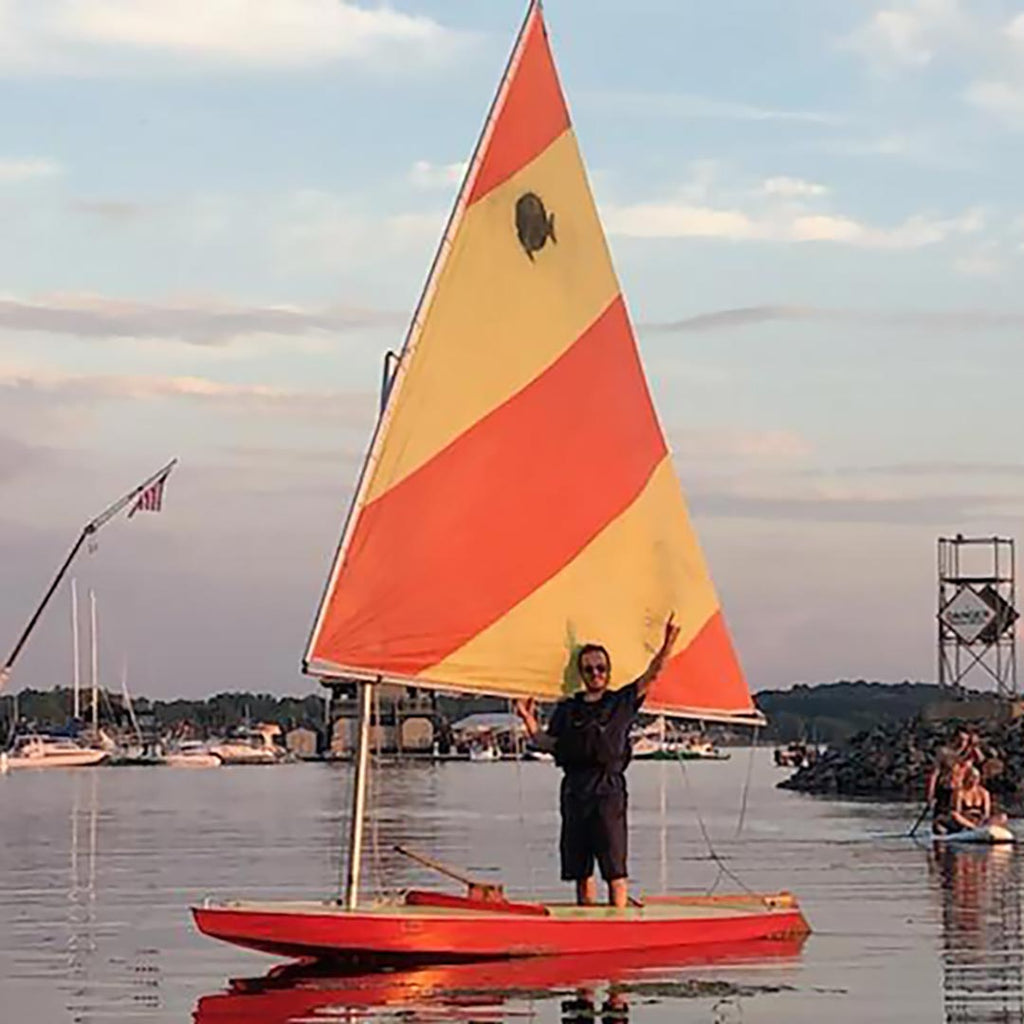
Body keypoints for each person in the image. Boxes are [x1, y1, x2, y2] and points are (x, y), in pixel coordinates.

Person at [515, 614, 680, 908]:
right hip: (574, 790)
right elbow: (548, 745)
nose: (595, 673)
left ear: (608, 671)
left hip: (608, 791)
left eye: (600, 668)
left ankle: (618, 922)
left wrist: (668, 643)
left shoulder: (621, 702)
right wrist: (528, 720)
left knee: (614, 867)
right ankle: (585, 918)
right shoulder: (568, 709)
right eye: (589, 669)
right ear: (581, 673)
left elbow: (652, 675)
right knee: (580, 869)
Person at [950, 765, 1007, 832]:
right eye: (972, 777)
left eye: (976, 777)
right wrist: (969, 816)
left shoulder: (984, 793)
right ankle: (973, 828)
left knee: (1003, 817)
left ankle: (983, 828)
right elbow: (958, 811)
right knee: (954, 815)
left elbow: (986, 813)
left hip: (980, 819)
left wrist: (981, 819)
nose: (974, 780)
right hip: (965, 819)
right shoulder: (960, 793)